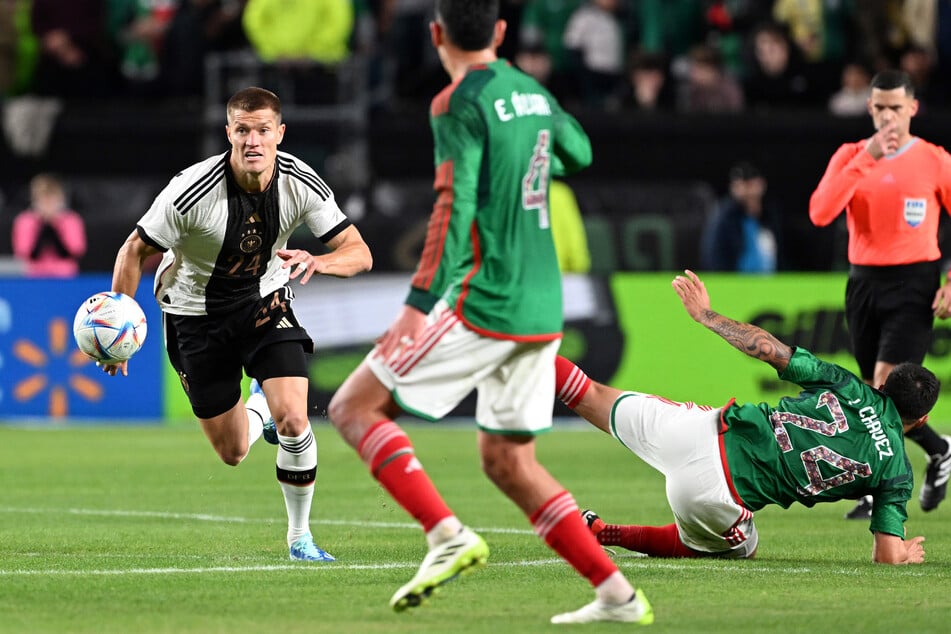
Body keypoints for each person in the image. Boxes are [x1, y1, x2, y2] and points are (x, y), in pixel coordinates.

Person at [327, 0, 652, 625]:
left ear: (436, 34)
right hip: (544, 305)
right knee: (508, 460)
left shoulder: (456, 103)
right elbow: (579, 153)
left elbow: (453, 208)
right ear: (501, 33)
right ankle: (617, 595)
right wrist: (531, 154)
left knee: (352, 407)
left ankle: (446, 536)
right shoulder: (529, 90)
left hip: (487, 300)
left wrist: (418, 306)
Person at [103, 86, 372, 561]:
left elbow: (359, 252)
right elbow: (133, 250)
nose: (253, 141)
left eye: (263, 131)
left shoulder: (299, 182)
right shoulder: (189, 191)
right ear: (228, 132)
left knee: (294, 415)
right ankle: (256, 409)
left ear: (279, 134)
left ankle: (300, 537)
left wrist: (319, 260)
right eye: (243, 130)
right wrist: (118, 324)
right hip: (194, 319)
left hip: (264, 303)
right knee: (233, 451)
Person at [556, 270, 937, 564]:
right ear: (920, 421)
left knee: (590, 393)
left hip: (700, 432)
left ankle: (519, 351)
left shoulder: (845, 383)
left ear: (883, 383)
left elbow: (767, 350)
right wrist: (904, 554)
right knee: (738, 551)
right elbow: (885, 556)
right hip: (714, 497)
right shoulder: (897, 473)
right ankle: (605, 533)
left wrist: (705, 315)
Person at [809, 68, 951, 520]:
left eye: (896, 107)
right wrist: (867, 156)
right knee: (873, 397)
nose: (888, 116)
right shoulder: (852, 155)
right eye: (880, 107)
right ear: (869, 109)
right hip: (864, 281)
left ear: (913, 108)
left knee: (887, 386)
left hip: (916, 281)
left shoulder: (933, 159)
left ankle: (878, 487)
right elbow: (820, 212)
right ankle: (941, 448)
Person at [700, 160, 781, 273]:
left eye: (750, 184)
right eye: (740, 185)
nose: (746, 190)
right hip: (737, 284)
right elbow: (715, 258)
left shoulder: (770, 215)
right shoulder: (724, 218)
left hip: (771, 282)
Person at [12, 173, 86, 277]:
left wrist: (55, 226)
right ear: (35, 200)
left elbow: (77, 250)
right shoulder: (25, 220)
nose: (48, 204)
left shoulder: (71, 220)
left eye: (52, 199)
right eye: (43, 199)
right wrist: (40, 226)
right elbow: (22, 252)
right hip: (34, 276)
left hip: (66, 276)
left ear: (61, 199)